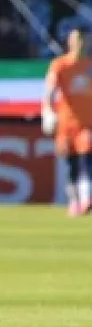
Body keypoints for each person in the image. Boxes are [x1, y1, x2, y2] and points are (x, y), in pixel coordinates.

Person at [42, 27, 92, 217]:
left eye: (83, 39)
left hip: (87, 124)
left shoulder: (90, 66)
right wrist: (47, 111)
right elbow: (49, 90)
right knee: (72, 165)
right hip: (66, 124)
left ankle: (87, 198)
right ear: (70, 42)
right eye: (76, 39)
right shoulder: (60, 65)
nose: (80, 43)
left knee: (87, 160)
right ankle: (74, 201)